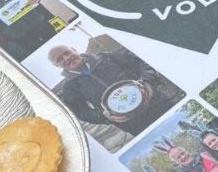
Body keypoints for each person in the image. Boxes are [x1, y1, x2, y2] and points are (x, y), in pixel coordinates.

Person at [48, 43, 179, 136]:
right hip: (134, 124)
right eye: (59, 59)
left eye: (67, 53)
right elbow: (80, 112)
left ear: (74, 49)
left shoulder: (107, 57)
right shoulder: (69, 87)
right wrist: (103, 116)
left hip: (158, 104)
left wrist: (148, 82)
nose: (66, 58)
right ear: (56, 65)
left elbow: (142, 63)